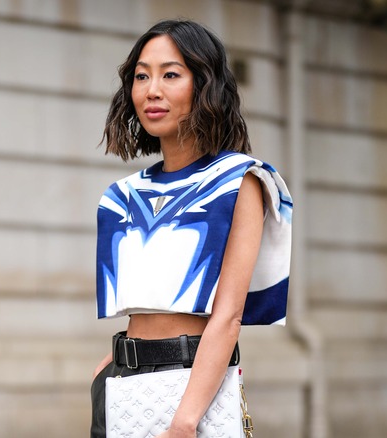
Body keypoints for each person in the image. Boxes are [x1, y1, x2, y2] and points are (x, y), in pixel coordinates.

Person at [90, 19, 292, 438]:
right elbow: (144, 305)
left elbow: (229, 314)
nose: (152, 90)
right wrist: (106, 374)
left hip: (190, 394)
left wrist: (186, 420)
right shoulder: (121, 195)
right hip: (122, 385)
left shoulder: (238, 180)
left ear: (203, 85)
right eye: (141, 76)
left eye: (170, 74)